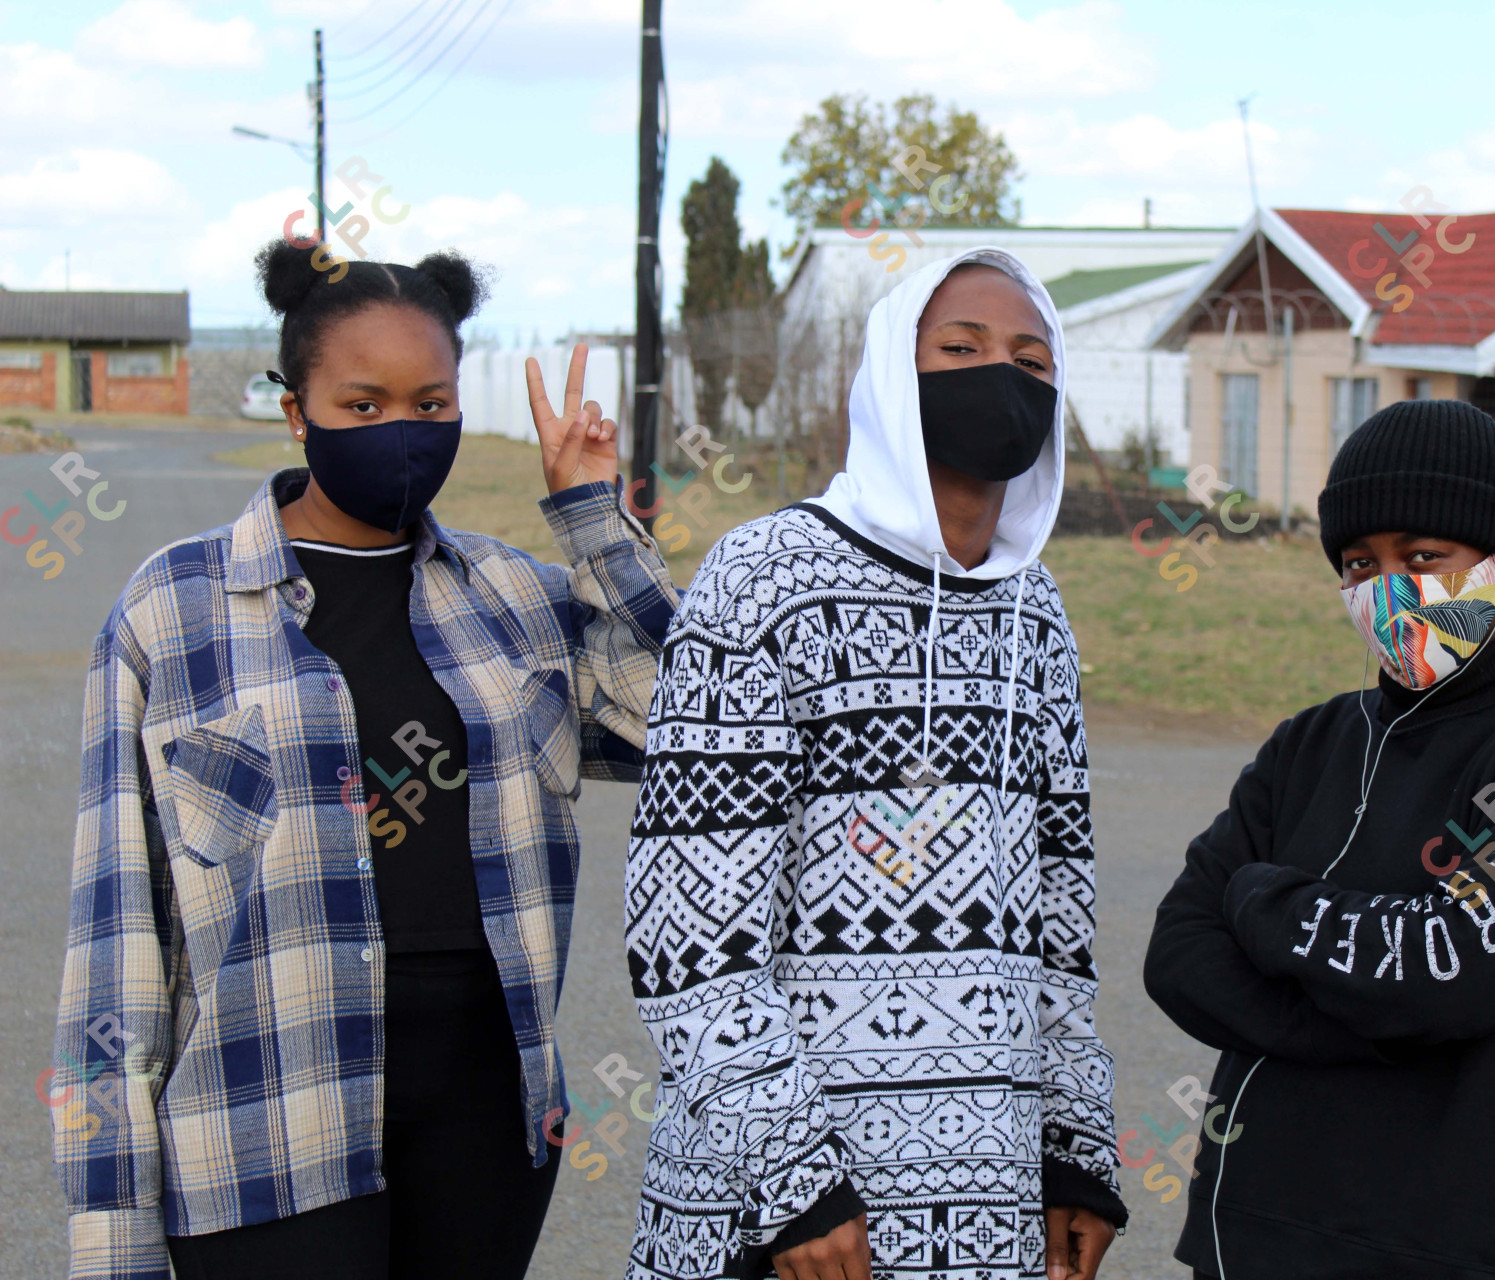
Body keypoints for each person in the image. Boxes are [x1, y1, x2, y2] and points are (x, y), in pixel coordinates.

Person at [48, 240, 677, 1280]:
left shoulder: (515, 598)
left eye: (432, 405)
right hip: (263, 1117)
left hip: (484, 1117)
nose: (403, 433)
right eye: (365, 405)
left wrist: (592, 515)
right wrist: (110, 1230)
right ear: (295, 409)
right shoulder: (177, 607)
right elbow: (115, 940)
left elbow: (680, 724)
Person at [620, 250, 1127, 1280]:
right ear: (896, 371)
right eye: (962, 347)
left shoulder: (1037, 613)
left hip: (985, 1214)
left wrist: (1076, 1149)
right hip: (779, 1221)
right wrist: (795, 1181)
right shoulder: (767, 579)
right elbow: (688, 930)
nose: (1005, 374)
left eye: (1034, 358)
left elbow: (1060, 923)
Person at [1143, 400, 1495, 1280]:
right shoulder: (1309, 744)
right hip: (1249, 1233)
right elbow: (1178, 953)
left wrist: (1263, 904)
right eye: (1358, 563)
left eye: (1423, 557)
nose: (1389, 587)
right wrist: (1374, 1015)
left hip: (1452, 1247)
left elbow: (1448, 967)